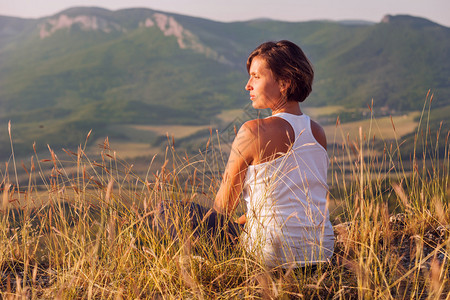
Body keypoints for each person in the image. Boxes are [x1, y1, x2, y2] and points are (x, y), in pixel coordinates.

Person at [212, 40, 335, 269]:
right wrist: (243, 224)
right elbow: (290, 204)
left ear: (284, 83)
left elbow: (222, 208)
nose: (248, 85)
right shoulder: (317, 132)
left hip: (269, 255)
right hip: (321, 251)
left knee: (166, 212)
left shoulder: (253, 131)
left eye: (256, 77)